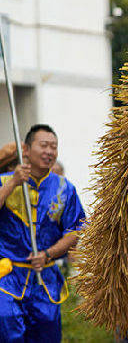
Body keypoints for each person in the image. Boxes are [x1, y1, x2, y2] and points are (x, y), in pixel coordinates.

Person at [0, 124, 84, 342]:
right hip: (7, 277)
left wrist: (48, 254)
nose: (49, 151)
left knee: (47, 333)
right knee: (9, 329)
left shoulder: (66, 189)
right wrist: (13, 184)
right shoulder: (4, 182)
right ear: (26, 150)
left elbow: (76, 231)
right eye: (44, 145)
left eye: (54, 147)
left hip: (44, 279)